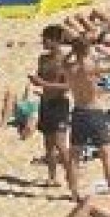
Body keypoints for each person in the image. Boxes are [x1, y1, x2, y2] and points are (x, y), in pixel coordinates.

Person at [63, 35, 110, 203]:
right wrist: (106, 52)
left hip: (78, 111)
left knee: (75, 154)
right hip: (94, 112)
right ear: (88, 49)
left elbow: (64, 61)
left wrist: (72, 52)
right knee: (106, 155)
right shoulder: (92, 66)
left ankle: (74, 192)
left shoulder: (70, 68)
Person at [31, 26, 72, 188]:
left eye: (45, 39)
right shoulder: (43, 59)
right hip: (46, 103)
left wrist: (43, 83)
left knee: (61, 145)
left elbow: (68, 86)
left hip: (59, 104)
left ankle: (71, 178)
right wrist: (37, 81)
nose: (43, 41)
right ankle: (52, 177)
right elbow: (41, 77)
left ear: (55, 41)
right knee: (47, 144)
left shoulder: (65, 61)